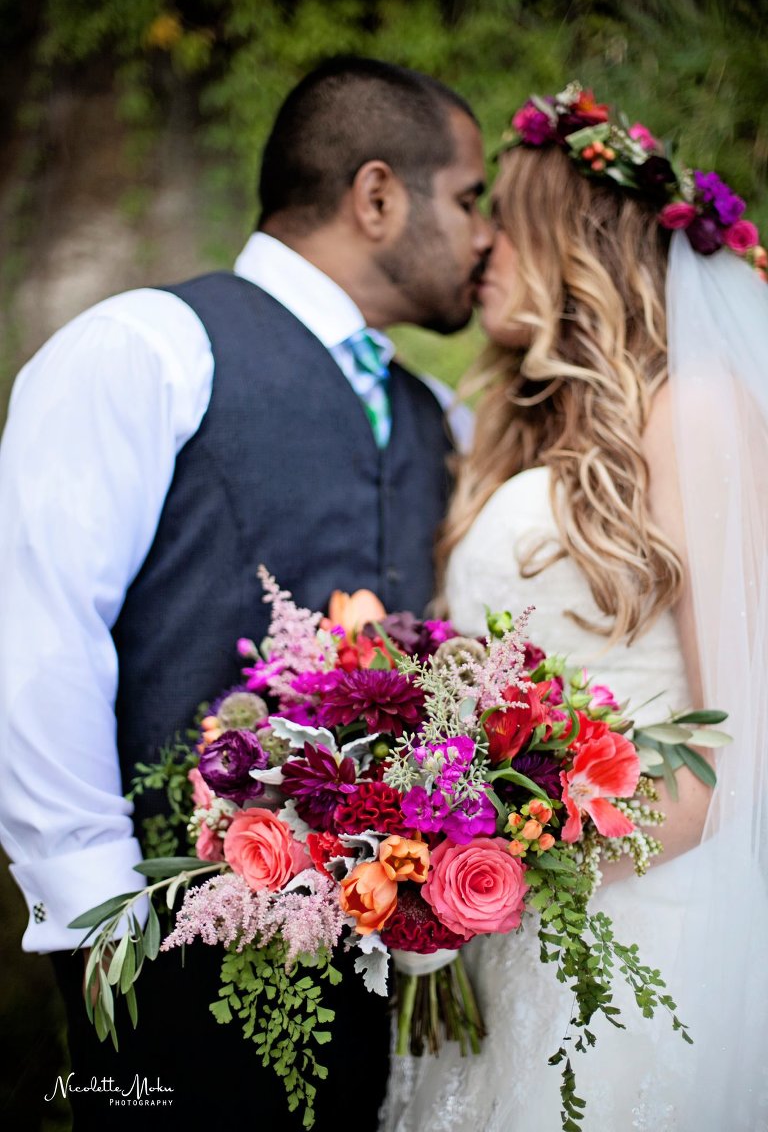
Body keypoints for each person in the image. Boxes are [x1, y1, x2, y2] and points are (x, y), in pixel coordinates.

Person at [0, 56, 492, 1130]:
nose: (486, 233)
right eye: (468, 199)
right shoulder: (143, 350)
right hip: (169, 965)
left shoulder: (434, 415)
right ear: (377, 197)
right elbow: (35, 637)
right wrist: (109, 929)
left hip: (379, 971)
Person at [380, 84, 768, 1131]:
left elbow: (743, 743)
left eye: (504, 217)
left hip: (647, 919)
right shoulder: (523, 427)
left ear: (570, 238)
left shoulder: (696, 409)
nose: (481, 247)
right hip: (507, 922)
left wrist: (508, 865)